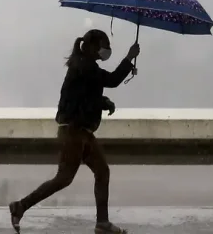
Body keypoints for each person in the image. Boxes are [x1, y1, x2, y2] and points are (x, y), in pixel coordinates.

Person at [8, 29, 140, 234]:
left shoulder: (85, 67)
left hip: (83, 132)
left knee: (102, 171)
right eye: (105, 46)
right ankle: (21, 206)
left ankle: (102, 223)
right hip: (73, 132)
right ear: (93, 47)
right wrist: (129, 58)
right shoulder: (85, 67)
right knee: (64, 178)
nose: (107, 50)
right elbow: (111, 80)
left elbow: (86, 96)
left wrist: (103, 102)